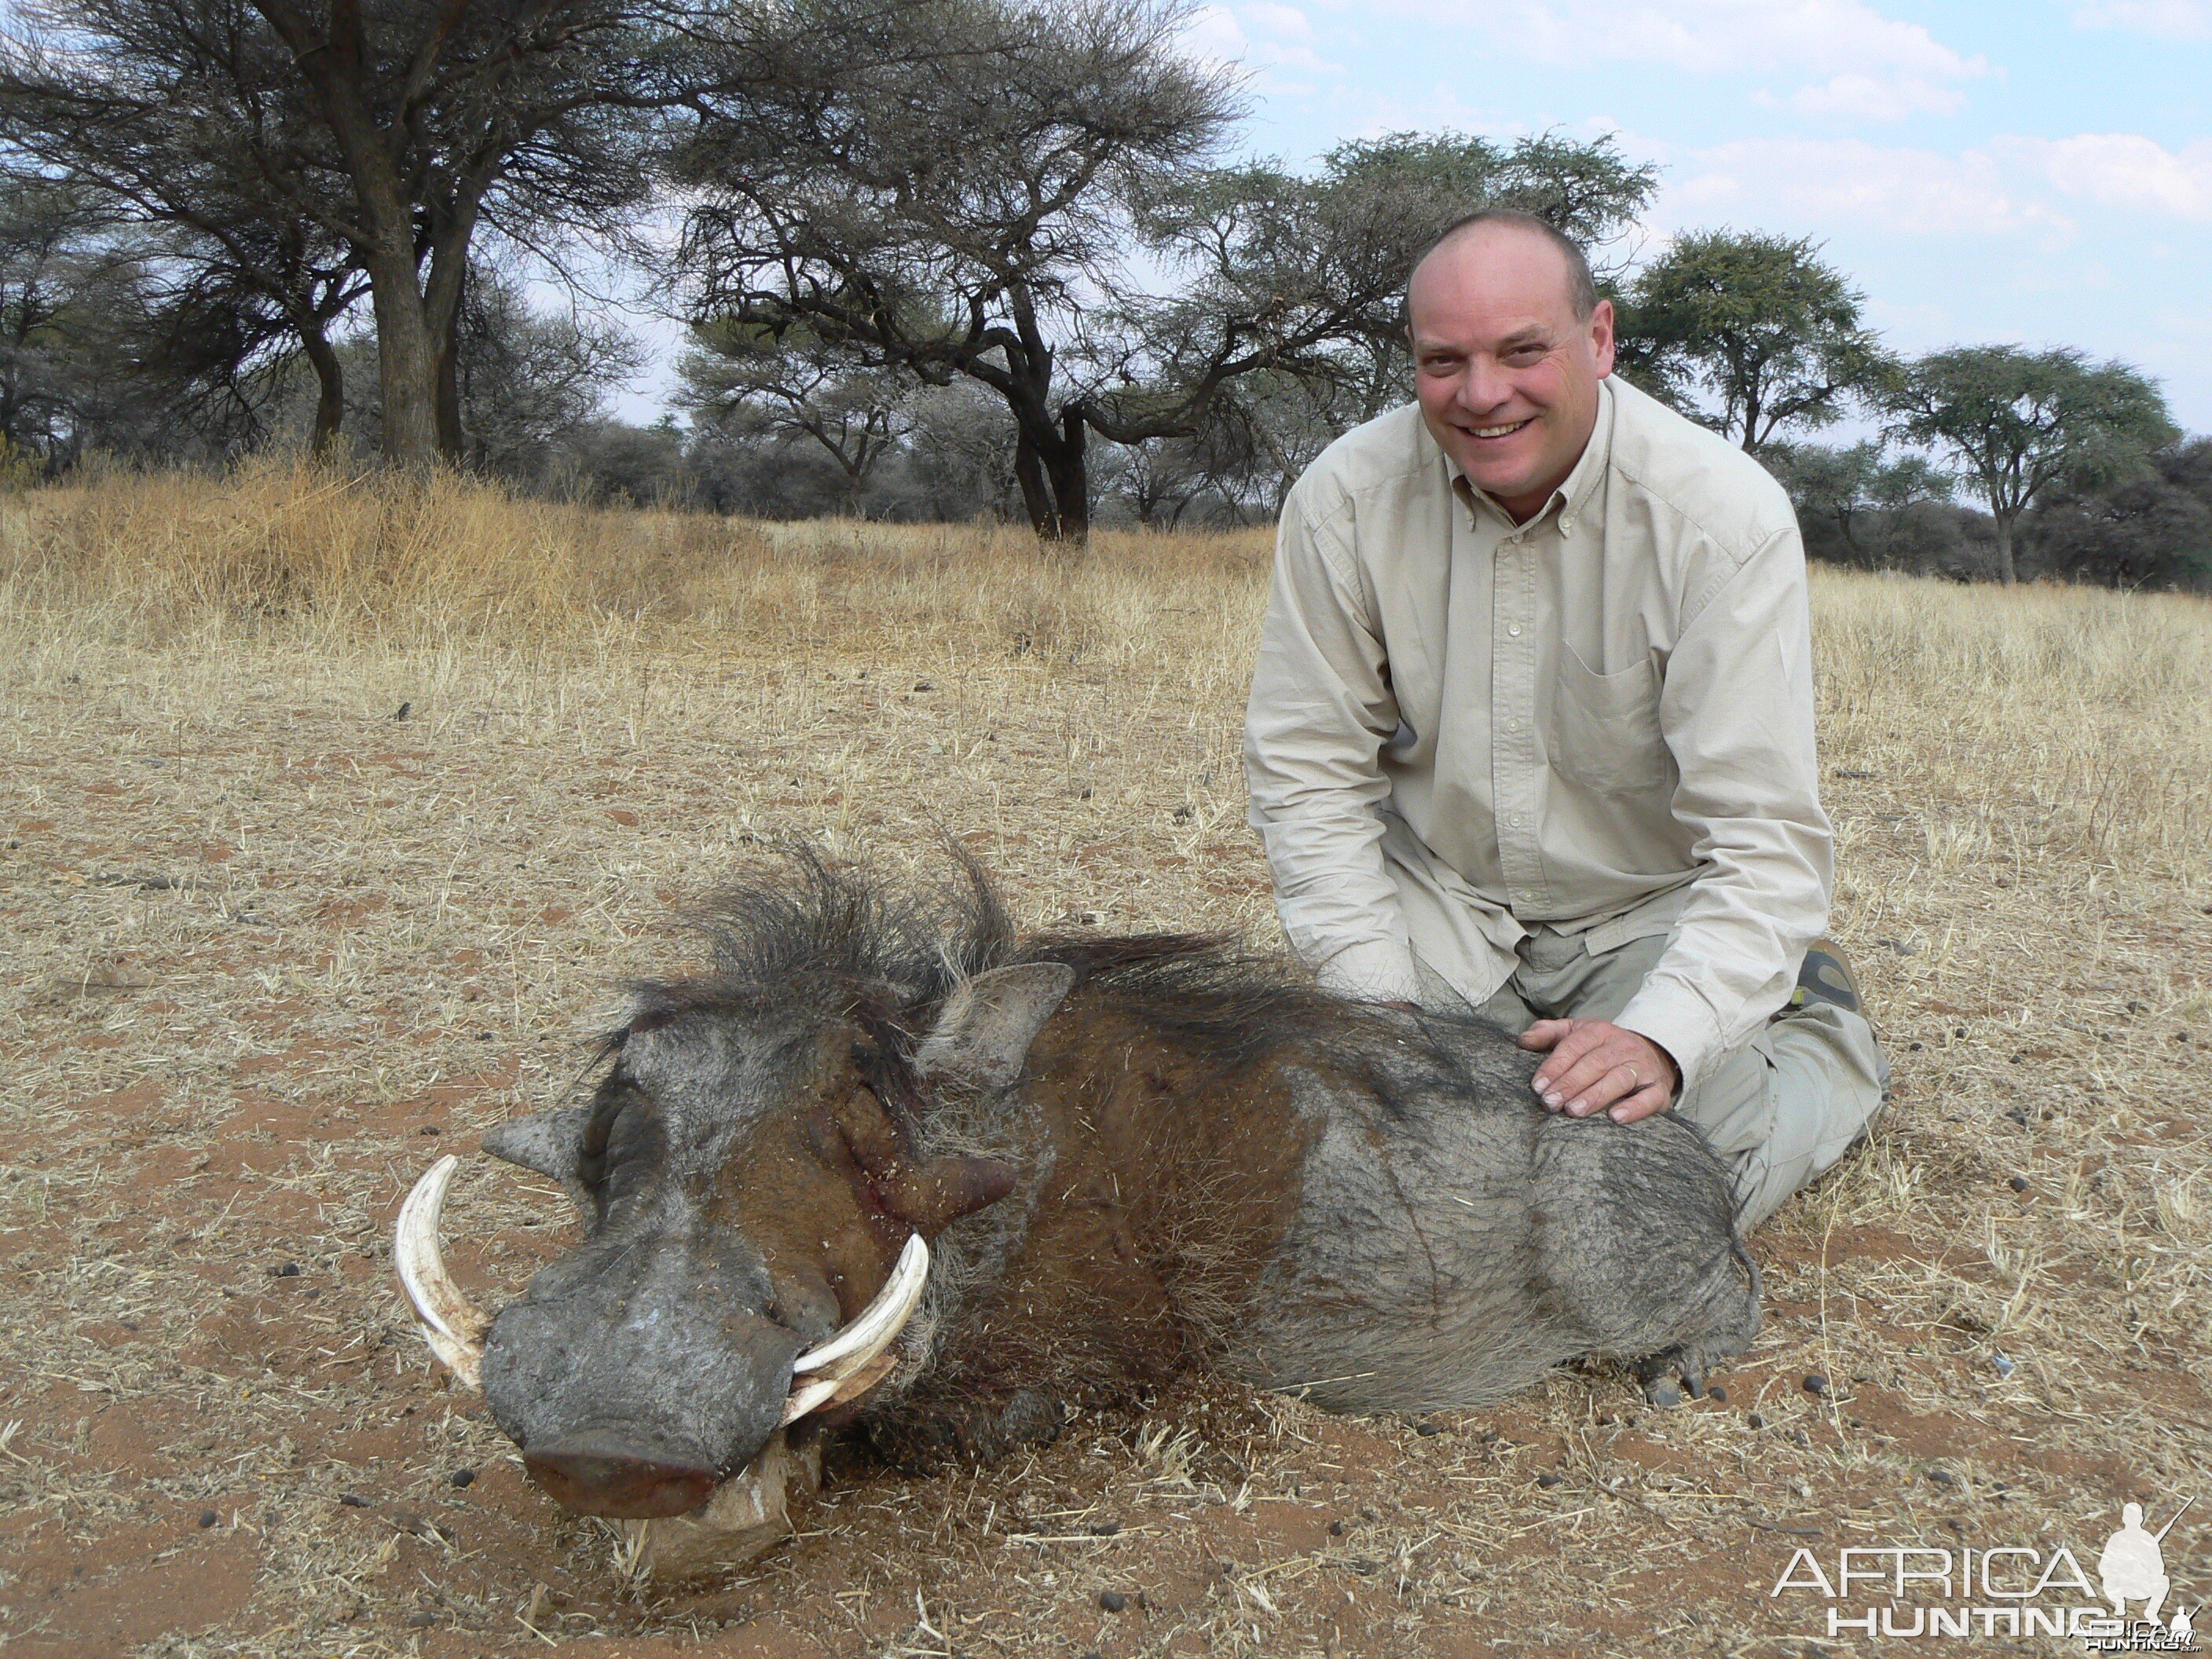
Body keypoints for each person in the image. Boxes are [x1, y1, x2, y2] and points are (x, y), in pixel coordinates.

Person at [1242, 209, 1886, 1231]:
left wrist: (1663, 1040)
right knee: (1352, 1163)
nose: (1481, 394)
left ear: (1599, 340)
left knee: (1656, 1197)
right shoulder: (1343, 500)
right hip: (1442, 907)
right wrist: (1375, 1013)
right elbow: (1307, 772)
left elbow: (1764, 836)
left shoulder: (1721, 517)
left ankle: (1819, 1044)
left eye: (1522, 351)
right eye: (1443, 360)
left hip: (1646, 914)